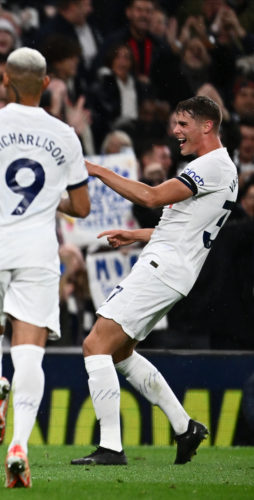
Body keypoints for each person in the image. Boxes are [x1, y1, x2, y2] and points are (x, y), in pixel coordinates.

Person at [0, 47, 90, 488]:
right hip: (38, 254)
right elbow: (81, 205)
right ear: (46, 84)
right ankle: (19, 447)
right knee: (31, 354)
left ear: (4, 80)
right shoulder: (65, 134)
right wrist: (50, 199)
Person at [70, 95, 236, 466]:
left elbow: (150, 195)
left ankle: (111, 447)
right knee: (121, 352)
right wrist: (139, 235)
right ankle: (184, 427)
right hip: (173, 267)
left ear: (207, 126)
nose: (175, 131)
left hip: (163, 268)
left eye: (183, 124)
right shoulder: (221, 169)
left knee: (95, 345)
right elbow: (186, 229)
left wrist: (96, 170)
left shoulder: (211, 167)